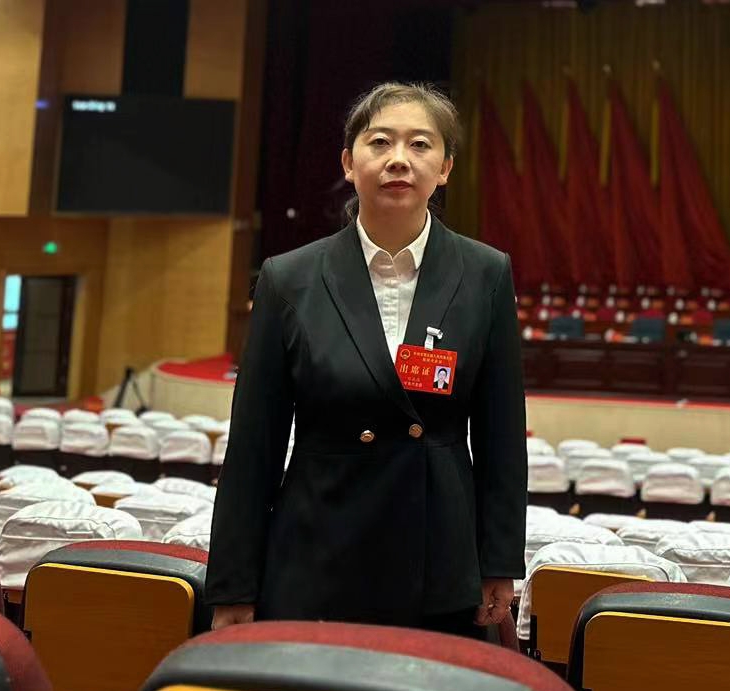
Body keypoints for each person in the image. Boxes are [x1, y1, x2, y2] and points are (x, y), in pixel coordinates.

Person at [206, 82, 527, 640]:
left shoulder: (485, 273)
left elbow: (501, 435)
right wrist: (234, 584)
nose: (399, 159)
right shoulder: (289, 278)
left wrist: (498, 560)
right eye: (380, 142)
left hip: (439, 557)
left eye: (420, 144)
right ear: (348, 164)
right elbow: (254, 446)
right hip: (317, 551)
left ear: (445, 168)